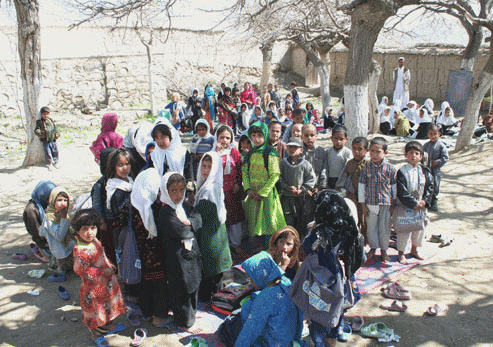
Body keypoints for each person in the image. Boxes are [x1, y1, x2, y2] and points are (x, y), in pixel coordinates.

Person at [301, 190, 364, 347]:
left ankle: (319, 342)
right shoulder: (346, 228)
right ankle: (333, 339)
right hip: (337, 276)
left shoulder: (321, 232)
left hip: (320, 277)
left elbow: (306, 247)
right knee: (336, 309)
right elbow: (358, 255)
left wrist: (313, 230)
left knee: (319, 312)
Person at [72, 208, 127, 346]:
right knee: (95, 312)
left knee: (107, 306)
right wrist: (102, 272)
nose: (90, 232)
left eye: (93, 227)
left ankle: (108, 325)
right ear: (77, 230)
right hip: (93, 288)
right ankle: (96, 334)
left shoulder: (94, 241)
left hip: (106, 284)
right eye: (85, 228)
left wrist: (109, 264)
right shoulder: (80, 250)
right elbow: (79, 269)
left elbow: (102, 254)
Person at [234, 251, 306, 347]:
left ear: (261, 276)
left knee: (246, 307)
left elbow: (251, 330)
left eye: (252, 278)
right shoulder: (287, 282)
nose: (250, 282)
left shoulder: (265, 297)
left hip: (272, 343)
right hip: (289, 340)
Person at [158, 172, 201, 328]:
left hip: (191, 254)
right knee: (181, 287)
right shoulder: (165, 212)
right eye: (173, 191)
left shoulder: (184, 206)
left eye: (182, 190)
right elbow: (182, 232)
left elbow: (198, 218)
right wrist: (191, 226)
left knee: (193, 283)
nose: (178, 195)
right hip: (177, 258)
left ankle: (192, 315)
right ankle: (183, 320)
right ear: (165, 191)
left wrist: (189, 222)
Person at [129, 168, 169, 327]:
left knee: (145, 283)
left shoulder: (134, 201)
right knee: (159, 284)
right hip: (156, 253)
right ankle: (159, 316)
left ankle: (147, 312)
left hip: (141, 253)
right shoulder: (154, 205)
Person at [194, 153, 233, 301]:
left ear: (216, 169)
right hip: (214, 232)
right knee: (215, 271)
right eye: (203, 166)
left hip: (211, 235)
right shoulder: (208, 184)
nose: (205, 170)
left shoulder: (210, 189)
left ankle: (212, 299)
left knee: (212, 270)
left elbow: (202, 214)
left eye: (210, 167)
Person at [242, 122, 286, 247]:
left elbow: (275, 175)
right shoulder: (249, 154)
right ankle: (258, 248)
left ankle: (270, 248)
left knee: (269, 222)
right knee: (255, 222)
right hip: (253, 195)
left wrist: (263, 192)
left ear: (265, 135)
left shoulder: (270, 153)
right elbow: (245, 172)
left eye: (260, 135)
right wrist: (248, 189)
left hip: (267, 195)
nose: (256, 139)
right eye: (253, 135)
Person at [358, 137, 397, 263]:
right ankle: (373, 248)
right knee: (371, 228)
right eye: (372, 151)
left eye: (378, 152)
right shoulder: (367, 168)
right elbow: (361, 187)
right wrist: (363, 205)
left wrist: (394, 203)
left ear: (385, 153)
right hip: (371, 204)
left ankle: (384, 250)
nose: (374, 155)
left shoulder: (390, 169)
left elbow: (394, 187)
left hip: (386, 204)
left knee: (385, 228)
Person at [395, 141, 434, 263]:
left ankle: (414, 249)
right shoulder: (402, 171)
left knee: (419, 229)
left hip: (421, 206)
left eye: (417, 153)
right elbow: (401, 190)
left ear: (421, 156)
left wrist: (425, 201)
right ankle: (401, 253)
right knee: (404, 230)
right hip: (406, 206)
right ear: (405, 155)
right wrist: (413, 203)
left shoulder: (425, 171)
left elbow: (430, 187)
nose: (414, 156)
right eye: (411, 153)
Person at [213, 125, 246, 253]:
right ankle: (223, 243)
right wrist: (216, 154)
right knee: (221, 216)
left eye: (228, 137)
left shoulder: (234, 152)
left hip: (232, 190)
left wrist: (238, 182)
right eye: (222, 137)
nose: (225, 140)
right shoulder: (213, 153)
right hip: (218, 190)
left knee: (234, 217)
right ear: (217, 138)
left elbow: (239, 168)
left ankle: (235, 243)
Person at [280, 137, 316, 237]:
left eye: (295, 147)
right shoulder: (283, 163)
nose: (292, 149)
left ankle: (300, 240)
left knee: (302, 219)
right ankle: (288, 239)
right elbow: (279, 178)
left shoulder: (305, 164)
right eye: (290, 147)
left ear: (301, 150)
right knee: (288, 219)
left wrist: (302, 189)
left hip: (301, 198)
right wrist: (287, 187)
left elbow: (311, 179)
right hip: (287, 197)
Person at [103, 148, 133, 266]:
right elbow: (121, 215)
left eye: (127, 164)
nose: (125, 168)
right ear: (113, 166)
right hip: (123, 231)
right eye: (120, 165)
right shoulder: (117, 190)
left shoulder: (130, 182)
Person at [336, 137, 370, 240]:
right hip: (352, 195)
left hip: (365, 196)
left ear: (366, 150)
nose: (356, 152)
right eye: (354, 149)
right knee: (354, 217)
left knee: (365, 219)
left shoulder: (368, 164)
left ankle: (366, 239)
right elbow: (345, 178)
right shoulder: (350, 163)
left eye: (360, 149)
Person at [40, 187, 74, 281]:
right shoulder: (50, 218)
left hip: (67, 245)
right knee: (61, 262)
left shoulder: (63, 213)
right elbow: (60, 236)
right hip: (59, 247)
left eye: (65, 200)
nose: (63, 203)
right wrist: (63, 219)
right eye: (59, 200)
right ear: (52, 201)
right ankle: (60, 273)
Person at [23, 181, 57, 261]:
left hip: (49, 235)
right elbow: (36, 232)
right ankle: (39, 250)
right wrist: (44, 245)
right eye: (50, 197)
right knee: (53, 260)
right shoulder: (31, 211)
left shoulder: (43, 203)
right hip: (42, 240)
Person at [301, 124, 328, 224]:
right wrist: (305, 188)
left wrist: (320, 187)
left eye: (312, 135)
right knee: (305, 215)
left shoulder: (321, 151)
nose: (309, 138)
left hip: (318, 189)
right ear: (301, 136)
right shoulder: (299, 152)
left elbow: (324, 170)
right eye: (306, 135)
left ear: (316, 136)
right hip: (303, 191)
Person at [423, 125, 449, 211]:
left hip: (436, 169)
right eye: (431, 134)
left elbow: (445, 157)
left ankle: (434, 201)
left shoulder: (441, 145)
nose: (433, 136)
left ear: (439, 134)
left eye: (435, 134)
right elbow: (421, 155)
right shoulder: (426, 145)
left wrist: (437, 162)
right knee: (427, 184)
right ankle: (427, 201)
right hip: (427, 168)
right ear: (428, 135)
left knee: (435, 184)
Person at [327, 125, 352, 189]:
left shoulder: (347, 153)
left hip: (343, 181)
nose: (338, 142)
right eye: (336, 138)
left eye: (341, 139)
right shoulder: (328, 152)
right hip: (330, 180)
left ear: (346, 139)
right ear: (331, 138)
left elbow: (347, 170)